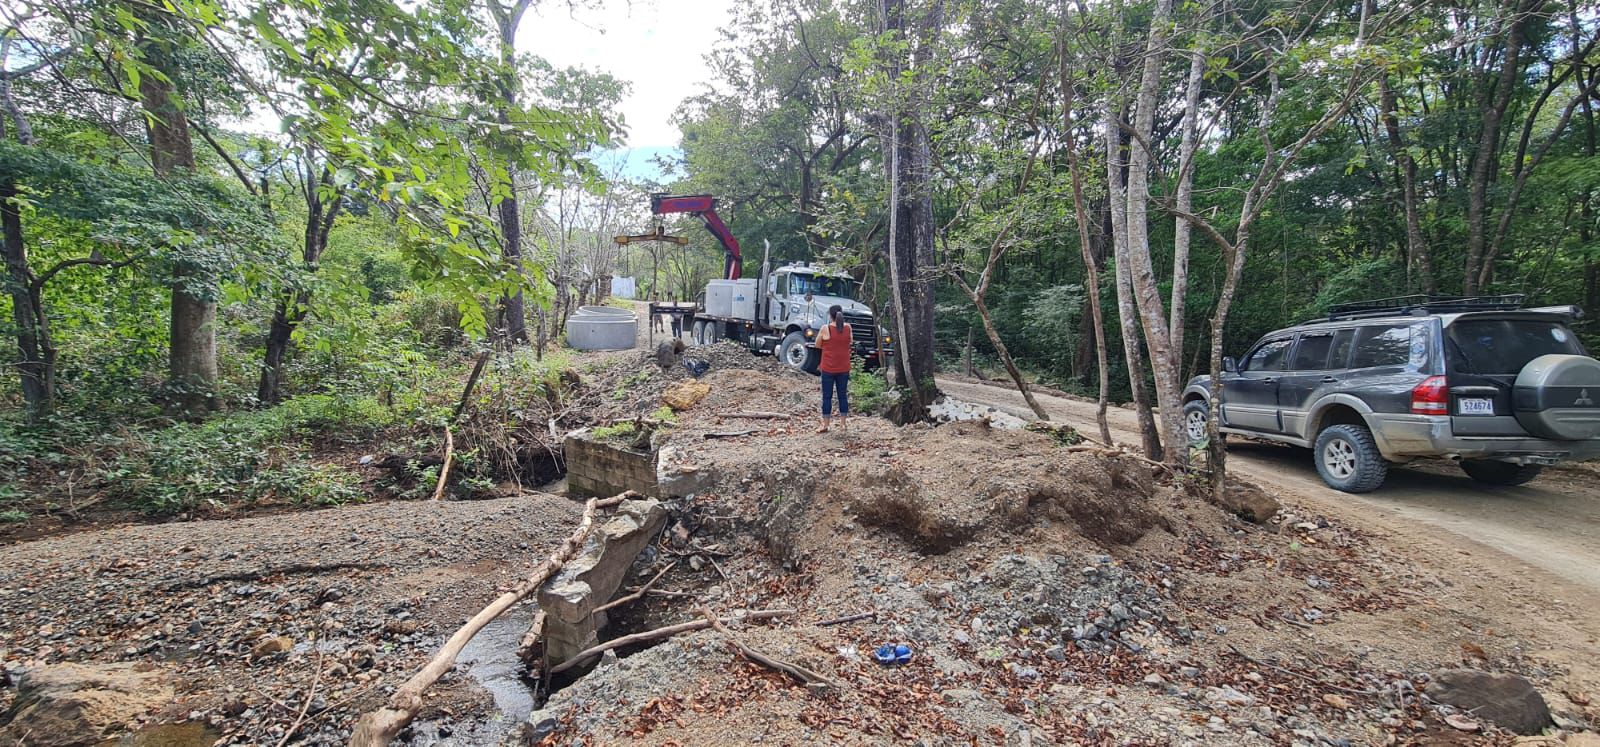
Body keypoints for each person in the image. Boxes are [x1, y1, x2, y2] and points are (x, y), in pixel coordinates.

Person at [816, 304, 852, 433]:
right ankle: (843, 424)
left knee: (827, 396)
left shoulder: (826, 328)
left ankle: (826, 424)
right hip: (844, 367)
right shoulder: (848, 328)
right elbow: (850, 341)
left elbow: (818, 344)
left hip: (828, 367)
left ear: (830, 315)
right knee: (842, 395)